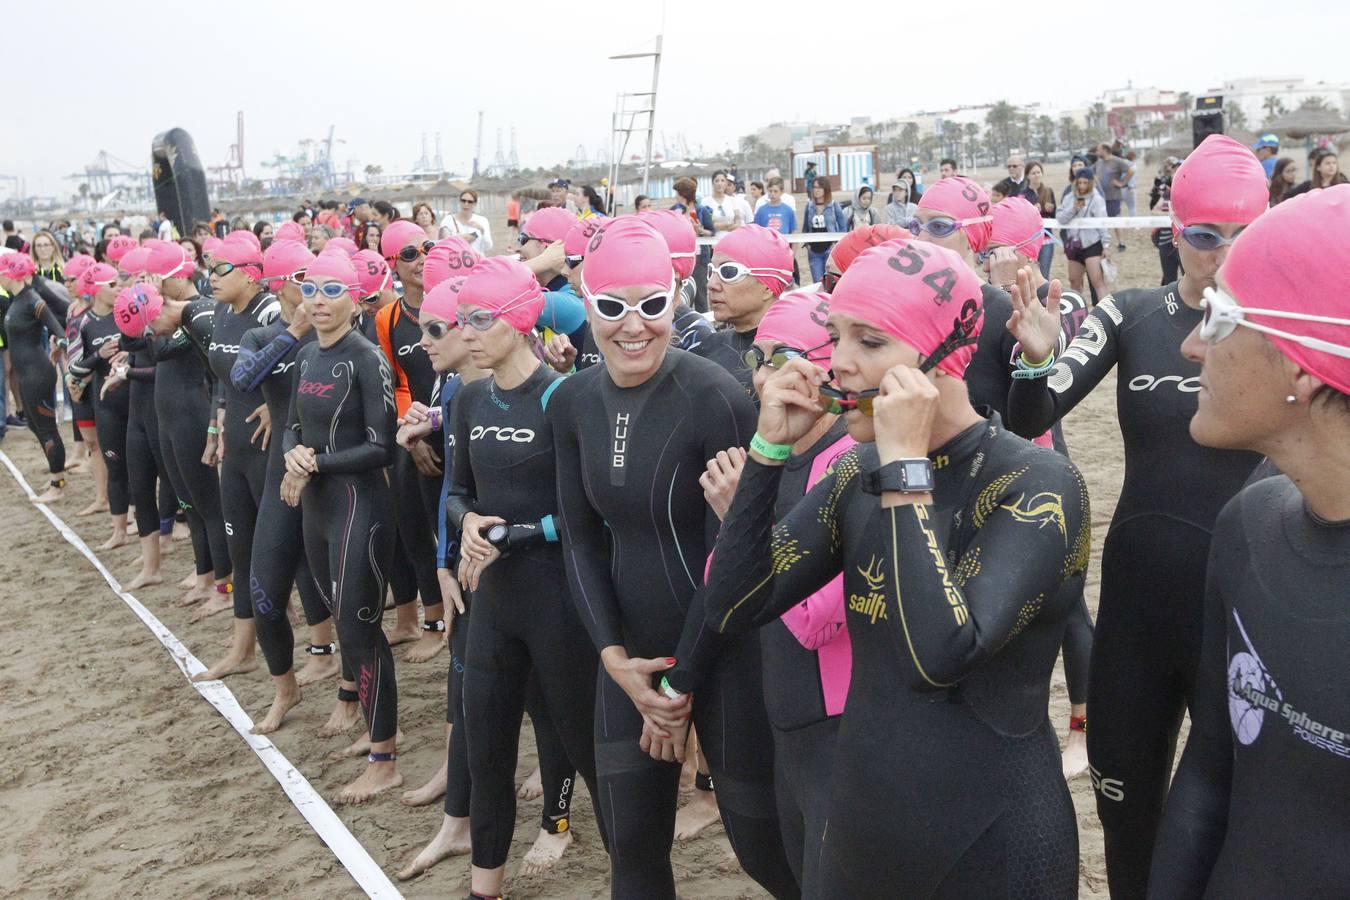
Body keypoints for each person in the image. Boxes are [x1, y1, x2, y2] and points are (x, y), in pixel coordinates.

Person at [704, 237, 1088, 898]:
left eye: (871, 343)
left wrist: (905, 470)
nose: (838, 364)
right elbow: (735, 605)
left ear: (944, 360)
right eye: (835, 336)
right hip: (866, 829)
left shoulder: (1038, 484)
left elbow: (936, 659)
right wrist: (767, 455)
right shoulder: (857, 471)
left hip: (996, 842)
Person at [1003, 134, 1269, 899]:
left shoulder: (1290, 337)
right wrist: (1033, 357)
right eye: (1202, 236)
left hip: (1243, 620)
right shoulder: (1131, 313)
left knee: (1228, 826)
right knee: (1128, 823)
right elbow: (1032, 415)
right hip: (1138, 613)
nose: (1219, 255)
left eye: (1241, 236)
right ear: (1172, 231)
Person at [550, 217, 796, 899]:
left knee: (767, 855)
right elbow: (580, 537)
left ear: (675, 293)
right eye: (611, 307)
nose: (635, 327)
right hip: (629, 665)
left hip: (721, 658)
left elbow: (732, 553)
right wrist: (613, 661)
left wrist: (680, 686)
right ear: (585, 299)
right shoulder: (571, 402)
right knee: (629, 853)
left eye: (653, 305)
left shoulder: (715, 396)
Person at [1149, 184, 1350, 898]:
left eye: (1220, 318)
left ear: (1304, 363)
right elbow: (1207, 777)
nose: (1191, 344)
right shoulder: (1250, 525)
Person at [443, 257, 602, 897]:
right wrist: (470, 523)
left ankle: (628, 871)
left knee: (588, 755)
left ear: (517, 320)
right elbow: (455, 491)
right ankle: (486, 888)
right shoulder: (471, 397)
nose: (467, 333)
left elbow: (587, 513)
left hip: (556, 602)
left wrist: (513, 534)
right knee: (486, 757)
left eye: (480, 319)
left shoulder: (565, 398)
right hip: (494, 605)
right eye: (461, 321)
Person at [699, 289, 854, 896]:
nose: (763, 377)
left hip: (837, 728)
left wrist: (746, 514)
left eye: (781, 357)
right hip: (786, 719)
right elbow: (727, 597)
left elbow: (815, 621)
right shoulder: (778, 458)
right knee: (778, 870)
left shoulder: (851, 464)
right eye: (758, 357)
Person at [282, 251, 401, 804]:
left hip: (359, 505)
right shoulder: (307, 355)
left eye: (333, 291)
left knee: (360, 628)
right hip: (318, 507)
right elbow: (291, 428)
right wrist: (294, 458)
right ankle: (374, 728)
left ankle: (385, 759)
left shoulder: (366, 358)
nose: (320, 302)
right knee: (339, 612)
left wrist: (316, 464)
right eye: (312, 291)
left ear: (355, 297)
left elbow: (381, 446)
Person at [226, 239, 342, 733]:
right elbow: (242, 380)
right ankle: (285, 688)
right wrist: (291, 335)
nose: (310, 292)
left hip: (334, 478)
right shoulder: (263, 335)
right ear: (279, 285)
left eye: (316, 281)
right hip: (282, 478)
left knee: (345, 596)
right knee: (265, 593)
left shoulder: (338, 336)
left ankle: (352, 696)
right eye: (300, 281)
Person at [192, 233, 282, 681]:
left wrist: (277, 404)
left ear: (250, 273)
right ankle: (242, 649)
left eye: (220, 268)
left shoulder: (268, 309)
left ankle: (322, 653)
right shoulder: (223, 311)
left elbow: (303, 356)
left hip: (268, 447)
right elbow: (222, 382)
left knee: (289, 553)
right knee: (240, 548)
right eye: (209, 266)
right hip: (236, 446)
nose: (210, 275)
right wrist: (214, 427)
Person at [139, 240, 234, 607]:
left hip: (193, 416)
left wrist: (150, 317)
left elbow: (161, 349)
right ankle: (205, 577)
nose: (158, 291)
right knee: (189, 504)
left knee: (208, 505)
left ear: (178, 278)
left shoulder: (200, 312)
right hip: (170, 417)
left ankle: (224, 590)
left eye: (160, 282)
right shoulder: (181, 313)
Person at [375, 220, 452, 663]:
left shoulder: (457, 300)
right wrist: (411, 432)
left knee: (458, 529)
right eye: (409, 254)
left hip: (459, 429)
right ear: (392, 266)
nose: (422, 257)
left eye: (428, 247)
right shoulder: (388, 317)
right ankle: (434, 621)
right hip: (415, 435)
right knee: (416, 531)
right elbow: (396, 380)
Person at [696, 225, 794, 402]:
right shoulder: (708, 347)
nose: (711, 284)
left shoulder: (792, 357)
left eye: (729, 272)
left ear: (767, 287)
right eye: (712, 271)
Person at [0, 252, 67, 502]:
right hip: (27, 374)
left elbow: (58, 329)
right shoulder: (17, 299)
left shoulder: (32, 299)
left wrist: (59, 343)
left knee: (47, 428)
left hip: (38, 373)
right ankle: (54, 476)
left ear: (10, 274)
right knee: (34, 425)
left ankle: (58, 484)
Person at [1058, 167, 1110, 303]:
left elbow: (1102, 223)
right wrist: (1074, 208)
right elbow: (1061, 218)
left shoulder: (1097, 199)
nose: (1082, 186)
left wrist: (1106, 245)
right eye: (1079, 182)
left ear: (1091, 183)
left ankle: (1107, 315)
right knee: (1074, 282)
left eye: (1085, 183)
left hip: (1092, 244)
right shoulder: (1069, 197)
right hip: (1074, 246)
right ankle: (1076, 314)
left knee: (1097, 282)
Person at [670, 177, 714, 312]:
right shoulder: (673, 211)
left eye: (677, 192)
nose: (675, 196)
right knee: (677, 292)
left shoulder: (701, 210)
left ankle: (703, 325)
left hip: (699, 256)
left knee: (701, 293)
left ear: (683, 194)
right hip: (679, 257)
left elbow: (712, 231)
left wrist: (700, 230)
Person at [801, 178, 845, 284]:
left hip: (830, 251)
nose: (816, 190)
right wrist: (808, 245)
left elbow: (843, 228)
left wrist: (836, 245)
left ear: (826, 189)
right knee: (817, 283)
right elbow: (805, 228)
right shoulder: (809, 206)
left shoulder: (834, 206)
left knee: (831, 283)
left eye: (820, 187)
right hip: (814, 251)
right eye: (815, 187)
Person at [1095, 143, 1132, 251]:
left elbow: (1131, 170)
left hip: (1113, 196)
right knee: (1101, 220)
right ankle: (1103, 243)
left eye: (1099, 150)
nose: (1097, 152)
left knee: (1116, 219)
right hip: (1100, 198)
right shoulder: (1099, 162)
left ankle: (1121, 243)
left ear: (1105, 150)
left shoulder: (1117, 161)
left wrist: (1122, 183)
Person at [1150, 157, 1181, 285]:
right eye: (1174, 172)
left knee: (1189, 277)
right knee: (1168, 278)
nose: (1175, 175)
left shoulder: (1191, 194)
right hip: (1165, 240)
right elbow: (1153, 211)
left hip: (1183, 241)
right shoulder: (1167, 193)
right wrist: (1170, 214)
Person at [1025, 161, 1057, 278]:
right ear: (1027, 176)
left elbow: (1055, 217)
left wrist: (1051, 210)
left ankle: (1043, 296)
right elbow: (1020, 219)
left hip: (1046, 239)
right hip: (1029, 240)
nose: (1036, 175)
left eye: (1038, 172)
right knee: (1030, 274)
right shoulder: (1023, 194)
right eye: (1033, 173)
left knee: (1044, 275)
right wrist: (1032, 211)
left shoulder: (1048, 191)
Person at [440, 190, 493, 254]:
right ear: (459, 201)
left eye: (470, 202)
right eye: (463, 201)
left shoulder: (482, 220)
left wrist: (482, 230)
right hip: (456, 261)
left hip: (478, 261)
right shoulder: (448, 220)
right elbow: (442, 243)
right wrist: (461, 240)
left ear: (475, 204)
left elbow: (488, 246)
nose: (466, 204)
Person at [707, 170, 751, 234]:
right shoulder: (706, 202)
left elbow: (738, 220)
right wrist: (726, 225)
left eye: (722, 180)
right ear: (712, 183)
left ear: (726, 183)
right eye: (717, 181)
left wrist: (734, 225)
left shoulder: (732, 201)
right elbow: (707, 225)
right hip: (712, 241)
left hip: (731, 239)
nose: (720, 183)